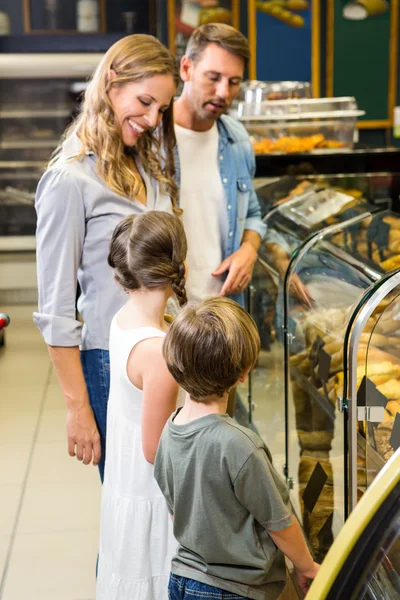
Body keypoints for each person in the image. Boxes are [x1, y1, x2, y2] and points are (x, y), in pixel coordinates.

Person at [33, 35, 179, 481]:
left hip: (169, 353)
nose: (153, 119)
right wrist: (78, 408)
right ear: (111, 82)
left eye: (162, 109)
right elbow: (55, 310)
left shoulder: (144, 166)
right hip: (110, 361)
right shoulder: (69, 179)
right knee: (130, 511)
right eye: (144, 101)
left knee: (165, 514)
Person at [154, 297, 320, 600]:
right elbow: (279, 523)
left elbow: (177, 507)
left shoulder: (170, 428)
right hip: (232, 591)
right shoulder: (239, 444)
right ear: (243, 373)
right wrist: (306, 566)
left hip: (182, 579)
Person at [173, 23, 266, 415]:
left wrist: (249, 249)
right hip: (167, 322)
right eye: (213, 78)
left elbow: (256, 215)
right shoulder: (149, 139)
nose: (224, 93)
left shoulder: (236, 139)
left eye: (234, 82)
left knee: (224, 456)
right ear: (186, 69)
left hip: (220, 326)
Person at [96, 210, 187, 600]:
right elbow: (156, 449)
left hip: (126, 475)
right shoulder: (157, 352)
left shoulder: (125, 317)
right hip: (153, 491)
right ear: (175, 265)